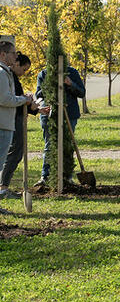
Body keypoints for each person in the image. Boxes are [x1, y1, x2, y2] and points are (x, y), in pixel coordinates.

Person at [0, 53, 46, 201]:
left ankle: (3, 186)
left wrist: (35, 108)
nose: (24, 73)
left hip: (16, 119)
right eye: (24, 69)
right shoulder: (7, 76)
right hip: (11, 120)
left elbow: (21, 101)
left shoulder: (13, 78)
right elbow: (12, 101)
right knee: (14, 153)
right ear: (17, 63)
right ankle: (3, 187)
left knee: (16, 153)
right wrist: (26, 101)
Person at [34, 59, 86, 189]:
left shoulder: (72, 73)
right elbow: (38, 95)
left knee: (68, 144)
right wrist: (49, 84)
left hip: (70, 114)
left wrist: (70, 83)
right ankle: (45, 176)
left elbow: (82, 92)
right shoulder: (43, 74)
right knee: (49, 144)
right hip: (49, 114)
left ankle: (67, 176)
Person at [0, 43, 34, 208]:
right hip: (4, 124)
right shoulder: (2, 74)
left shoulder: (6, 73)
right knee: (6, 160)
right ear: (3, 55)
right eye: (13, 53)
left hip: (8, 123)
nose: (15, 56)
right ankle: (3, 189)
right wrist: (23, 100)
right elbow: (5, 99)